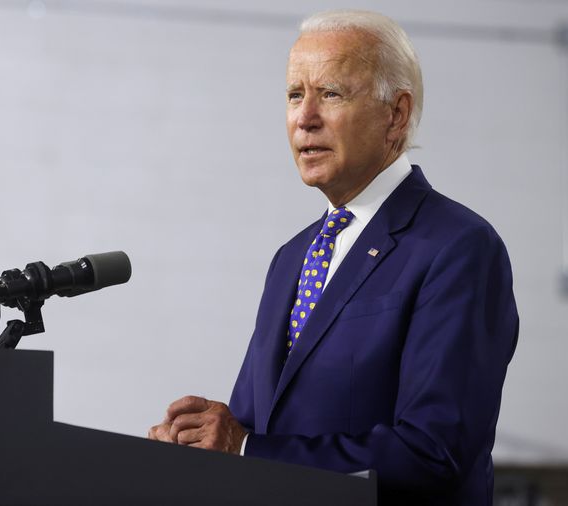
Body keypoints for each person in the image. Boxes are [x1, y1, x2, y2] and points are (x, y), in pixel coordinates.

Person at [148, 10, 518, 505]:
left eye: (331, 94)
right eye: (295, 95)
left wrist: (247, 449)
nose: (305, 117)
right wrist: (200, 444)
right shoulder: (292, 258)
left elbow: (434, 451)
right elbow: (254, 428)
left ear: (396, 114)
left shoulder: (458, 246)